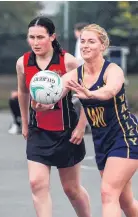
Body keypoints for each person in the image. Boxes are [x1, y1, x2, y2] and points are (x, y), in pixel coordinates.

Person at [16, 16, 92, 217]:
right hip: (38, 131)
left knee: (71, 189)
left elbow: (86, 96)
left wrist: (81, 126)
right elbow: (23, 92)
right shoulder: (23, 63)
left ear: (52, 37)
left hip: (67, 132)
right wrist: (24, 123)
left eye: (40, 37)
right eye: (31, 37)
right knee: (36, 184)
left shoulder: (68, 62)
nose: (35, 42)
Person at [62, 23, 138, 217]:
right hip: (102, 141)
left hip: (126, 136)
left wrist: (90, 93)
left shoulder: (112, 70)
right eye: (83, 41)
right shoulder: (75, 75)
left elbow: (110, 90)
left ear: (103, 46)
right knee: (125, 200)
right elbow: (55, 92)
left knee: (108, 193)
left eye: (91, 41)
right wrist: (42, 101)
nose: (85, 45)